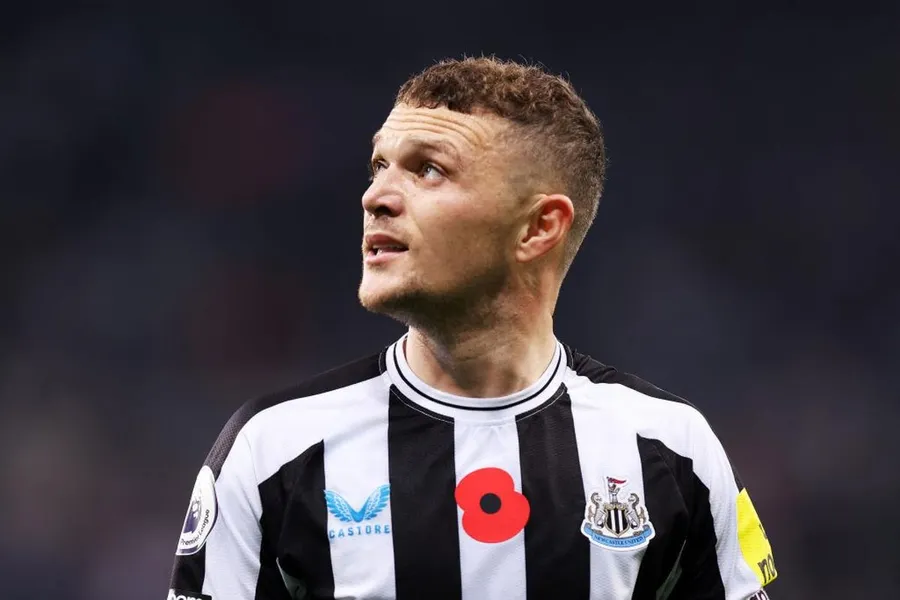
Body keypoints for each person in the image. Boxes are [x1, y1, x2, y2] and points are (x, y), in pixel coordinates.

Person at [168, 57, 777, 600]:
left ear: (539, 228)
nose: (376, 197)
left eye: (429, 170)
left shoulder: (671, 449)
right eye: (379, 165)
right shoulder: (275, 449)